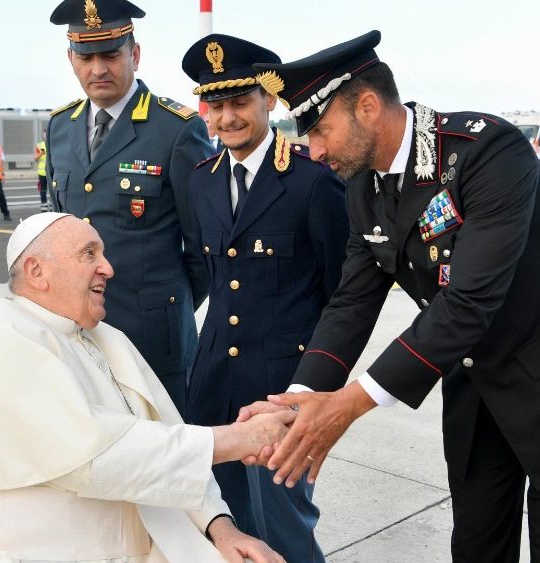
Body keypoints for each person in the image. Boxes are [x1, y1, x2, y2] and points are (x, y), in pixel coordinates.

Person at [242, 31, 540, 562]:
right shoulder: (362, 188)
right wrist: (301, 395)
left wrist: (347, 405)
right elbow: (352, 301)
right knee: (477, 545)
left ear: (367, 107)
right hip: (477, 387)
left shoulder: (488, 151)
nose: (313, 149)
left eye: (320, 129)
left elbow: (469, 302)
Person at [0, 212, 288, 563]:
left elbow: (165, 438)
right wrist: (238, 440)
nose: (108, 268)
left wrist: (220, 528)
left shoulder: (103, 337)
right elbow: (95, 457)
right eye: (88, 253)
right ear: (36, 271)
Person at [181, 34, 348, 562]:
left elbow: (341, 297)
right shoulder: (201, 182)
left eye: (239, 103)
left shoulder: (310, 183)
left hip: (280, 392)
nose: (227, 118)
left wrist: (314, 390)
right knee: (225, 527)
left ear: (269, 101)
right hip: (213, 386)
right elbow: (208, 273)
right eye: (216, 105)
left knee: (285, 528)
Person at [46, 0, 212, 410]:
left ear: (134, 54)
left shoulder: (176, 128)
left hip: (153, 335)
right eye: (85, 57)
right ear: (71, 59)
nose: (97, 69)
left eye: (110, 54)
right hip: (80, 331)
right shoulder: (60, 126)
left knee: (165, 456)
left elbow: (203, 244)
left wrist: (167, 304)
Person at [35, 138, 50, 211]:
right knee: (43, 190)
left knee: (53, 190)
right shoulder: (39, 145)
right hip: (42, 172)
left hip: (52, 171)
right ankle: (44, 206)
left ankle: (53, 206)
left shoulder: (53, 143)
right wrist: (41, 154)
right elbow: (35, 158)